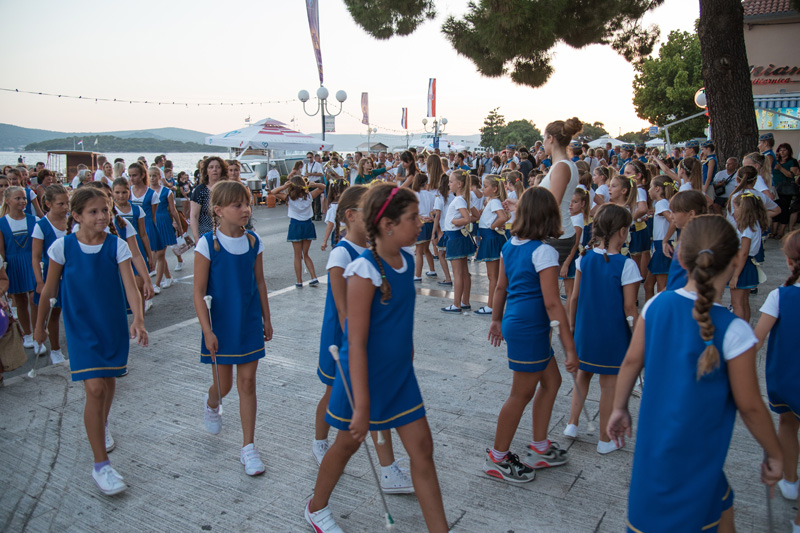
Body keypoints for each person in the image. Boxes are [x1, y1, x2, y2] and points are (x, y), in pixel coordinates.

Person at [607, 214, 782, 532]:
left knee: (718, 501)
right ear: (734, 264)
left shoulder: (656, 305)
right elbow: (752, 406)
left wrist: (619, 408)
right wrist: (774, 452)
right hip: (696, 461)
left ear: (682, 260)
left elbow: (631, 362)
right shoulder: (735, 331)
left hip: (656, 455)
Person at [306, 184, 448, 533]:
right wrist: (362, 402)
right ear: (387, 224)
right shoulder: (363, 270)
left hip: (399, 378)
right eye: (413, 217)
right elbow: (355, 340)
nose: (421, 222)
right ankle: (316, 506)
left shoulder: (408, 260)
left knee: (423, 450)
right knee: (345, 446)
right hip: (362, 380)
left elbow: (400, 321)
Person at [34, 187, 148, 496]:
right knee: (95, 388)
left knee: (108, 384)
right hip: (80, 327)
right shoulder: (62, 248)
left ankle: (102, 422)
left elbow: (131, 287)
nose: (102, 216)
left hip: (111, 326)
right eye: (94, 211)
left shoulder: (117, 246)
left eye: (106, 210)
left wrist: (138, 318)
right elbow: (48, 291)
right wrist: (40, 326)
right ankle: (101, 465)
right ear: (77, 216)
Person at [485, 187, 577, 481]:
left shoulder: (510, 245)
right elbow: (552, 302)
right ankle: (498, 458)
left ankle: (539, 446)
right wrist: (570, 347)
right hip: (529, 328)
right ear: (549, 217)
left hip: (517, 321)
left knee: (552, 381)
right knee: (520, 393)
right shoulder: (544, 251)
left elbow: (501, 287)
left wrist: (496, 320)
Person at [193, 181, 273, 476]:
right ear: (218, 210)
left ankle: (248, 447)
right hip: (221, 326)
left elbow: (260, 282)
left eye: (247, 203)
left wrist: (267, 317)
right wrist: (206, 330)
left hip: (249, 322)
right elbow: (198, 292)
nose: (246, 210)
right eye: (237, 205)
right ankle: (212, 402)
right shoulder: (208, 243)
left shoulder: (254, 242)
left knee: (247, 383)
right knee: (224, 386)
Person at [566, 204, 640, 451]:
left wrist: (572, 326)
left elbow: (573, 298)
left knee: (582, 376)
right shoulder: (626, 265)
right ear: (622, 231)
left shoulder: (583, 259)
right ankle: (604, 440)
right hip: (612, 335)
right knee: (609, 385)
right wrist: (639, 333)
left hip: (585, 331)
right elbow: (630, 307)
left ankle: (572, 424)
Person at [753, 229, 800, 525]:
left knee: (787, 422)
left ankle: (790, 479)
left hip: (784, 379)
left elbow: (756, 339)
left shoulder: (779, 295)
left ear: (788, 260)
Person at [31, 185, 69, 364]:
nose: (66, 207)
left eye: (67, 203)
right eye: (61, 204)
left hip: (70, 273)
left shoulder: (73, 221)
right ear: (48, 204)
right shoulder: (41, 226)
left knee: (72, 310)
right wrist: (39, 281)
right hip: (52, 275)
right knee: (53, 313)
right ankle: (55, 349)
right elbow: (36, 256)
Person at [0, 186, 41, 351]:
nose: (22, 201)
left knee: (34, 298)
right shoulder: (2, 222)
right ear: (7, 200)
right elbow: (2, 250)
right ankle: (27, 334)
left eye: (24, 198)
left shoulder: (33, 220)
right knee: (21, 301)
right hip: (14, 263)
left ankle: (39, 333)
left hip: (31, 261)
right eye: (18, 198)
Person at [272, 176, 325, 287]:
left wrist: (284, 186)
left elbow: (273, 192)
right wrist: (314, 184)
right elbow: (323, 187)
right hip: (308, 225)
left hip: (295, 225)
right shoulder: (309, 196)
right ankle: (313, 277)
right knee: (306, 254)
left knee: (297, 255)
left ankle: (299, 281)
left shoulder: (289, 198)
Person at [112, 178, 155, 314]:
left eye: (124, 192)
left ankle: (140, 314)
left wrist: (149, 255)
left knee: (139, 285)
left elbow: (143, 234)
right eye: (117, 192)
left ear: (129, 192)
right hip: (119, 251)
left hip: (136, 248)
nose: (121, 196)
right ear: (112, 193)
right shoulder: (110, 212)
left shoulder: (137, 210)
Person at [729, 192, 769, 322]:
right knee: (744, 302)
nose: (733, 212)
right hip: (748, 264)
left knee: (737, 304)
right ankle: (745, 328)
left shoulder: (746, 228)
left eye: (735, 208)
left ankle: (739, 332)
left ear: (742, 209)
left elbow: (744, 252)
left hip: (742, 266)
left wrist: (735, 275)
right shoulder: (755, 224)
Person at [441, 170, 477, 313]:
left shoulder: (458, 200)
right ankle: (465, 301)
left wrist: (457, 221)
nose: (449, 184)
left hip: (455, 237)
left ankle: (456, 304)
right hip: (461, 236)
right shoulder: (464, 199)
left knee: (457, 273)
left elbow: (468, 218)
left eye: (451, 182)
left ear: (459, 184)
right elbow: (476, 215)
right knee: (464, 272)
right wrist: (463, 221)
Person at [475, 175, 508, 315]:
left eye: (485, 186)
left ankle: (492, 305)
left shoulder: (494, 202)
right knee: (493, 275)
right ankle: (493, 304)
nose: (483, 188)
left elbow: (503, 217)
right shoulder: (492, 201)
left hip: (491, 238)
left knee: (493, 276)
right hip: (489, 238)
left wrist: (493, 227)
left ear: (494, 189)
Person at [664, 190, 708, 291]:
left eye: (674, 212)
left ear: (691, 213)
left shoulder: (694, 242)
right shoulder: (690, 237)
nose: (671, 216)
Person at [148, 166, 182, 290]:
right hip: (152, 222)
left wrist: (179, 224)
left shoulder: (166, 192)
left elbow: (173, 210)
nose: (152, 178)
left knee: (160, 253)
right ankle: (168, 277)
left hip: (163, 222)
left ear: (159, 177)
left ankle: (157, 284)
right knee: (158, 253)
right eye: (150, 175)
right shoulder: (147, 191)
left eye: (154, 176)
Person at [646, 176, 676, 296]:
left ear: (657, 188)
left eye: (650, 187)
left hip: (662, 246)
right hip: (659, 246)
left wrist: (665, 240)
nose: (649, 190)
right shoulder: (664, 203)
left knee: (661, 288)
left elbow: (673, 221)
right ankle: (649, 313)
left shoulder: (661, 203)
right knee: (648, 285)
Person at [560, 188, 589, 316]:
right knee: (568, 289)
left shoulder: (577, 219)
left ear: (582, 204)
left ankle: (570, 316)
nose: (571, 205)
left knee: (570, 291)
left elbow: (574, 244)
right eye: (569, 202)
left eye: (575, 202)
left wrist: (566, 264)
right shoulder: (571, 217)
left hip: (571, 257)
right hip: (567, 255)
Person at [129, 162, 160, 277]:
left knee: (148, 255)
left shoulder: (152, 194)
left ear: (142, 175)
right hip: (131, 227)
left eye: (134, 175)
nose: (132, 178)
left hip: (146, 227)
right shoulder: (128, 192)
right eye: (130, 175)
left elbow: (152, 216)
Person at [190, 157, 228, 244]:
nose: (214, 170)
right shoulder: (200, 190)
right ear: (206, 171)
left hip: (225, 233)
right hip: (205, 234)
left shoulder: (227, 188)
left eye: (218, 167)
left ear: (222, 170)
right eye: (211, 167)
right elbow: (194, 216)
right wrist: (197, 239)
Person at [429, 155, 452, 285]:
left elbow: (437, 216)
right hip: (453, 229)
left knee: (442, 254)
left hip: (444, 229)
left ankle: (448, 278)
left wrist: (433, 234)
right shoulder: (454, 197)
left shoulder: (439, 198)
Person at [411, 172, 437, 281]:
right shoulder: (431, 194)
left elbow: (412, 211)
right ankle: (432, 270)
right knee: (426, 249)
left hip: (420, 223)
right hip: (430, 223)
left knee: (419, 251)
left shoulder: (414, 195)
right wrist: (430, 216)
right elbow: (435, 210)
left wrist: (421, 216)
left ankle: (417, 275)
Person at [772, 143, 800, 239]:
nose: (782, 152)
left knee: (784, 209)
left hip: (785, 189)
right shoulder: (776, 161)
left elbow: (792, 175)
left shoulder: (792, 161)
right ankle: (774, 231)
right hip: (775, 188)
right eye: (780, 150)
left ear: (789, 151)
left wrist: (780, 168)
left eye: (784, 150)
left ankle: (781, 232)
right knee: (775, 207)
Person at [320, 178, 348, 251]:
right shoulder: (352, 204)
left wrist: (324, 241)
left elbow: (330, 224)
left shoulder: (334, 206)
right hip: (351, 233)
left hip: (339, 233)